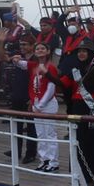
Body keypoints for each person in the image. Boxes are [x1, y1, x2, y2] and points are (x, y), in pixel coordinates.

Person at [48, 38, 94, 185]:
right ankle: (79, 172)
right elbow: (63, 84)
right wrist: (48, 74)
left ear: (90, 53)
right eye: (79, 51)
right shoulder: (74, 69)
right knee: (78, 139)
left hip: (92, 108)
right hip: (78, 107)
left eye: (84, 51)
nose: (81, 53)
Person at [12, 42, 60, 172]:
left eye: (42, 48)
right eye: (37, 48)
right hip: (36, 104)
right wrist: (16, 60)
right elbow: (21, 64)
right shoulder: (34, 65)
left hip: (47, 104)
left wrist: (41, 104)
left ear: (48, 51)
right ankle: (44, 159)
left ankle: (53, 162)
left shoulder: (51, 67)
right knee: (40, 134)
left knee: (50, 133)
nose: (40, 50)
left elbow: (51, 88)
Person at [0, 32, 38, 163]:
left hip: (29, 96)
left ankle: (31, 152)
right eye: (21, 44)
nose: (22, 46)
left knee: (31, 126)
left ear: (32, 46)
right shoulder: (18, 56)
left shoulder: (36, 59)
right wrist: (0, 42)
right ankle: (16, 149)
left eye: (25, 44)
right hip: (17, 94)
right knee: (16, 125)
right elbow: (2, 57)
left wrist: (33, 98)